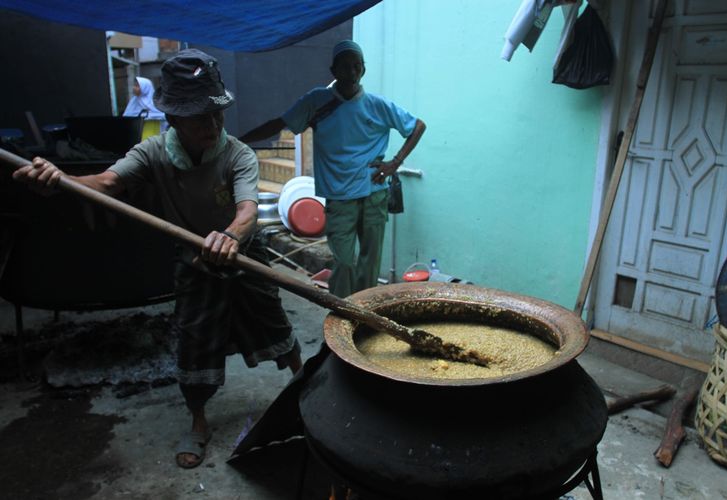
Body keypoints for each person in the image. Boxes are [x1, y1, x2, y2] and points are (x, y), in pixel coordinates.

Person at [12, 48, 303, 469]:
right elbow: (107, 181)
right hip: (194, 259)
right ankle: (199, 422)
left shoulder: (236, 153)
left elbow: (246, 212)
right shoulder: (153, 153)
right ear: (174, 120)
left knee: (272, 319)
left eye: (216, 112)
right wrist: (61, 180)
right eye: (200, 116)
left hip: (242, 252)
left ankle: (304, 387)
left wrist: (230, 237)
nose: (213, 123)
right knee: (195, 338)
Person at [240, 40, 426, 298]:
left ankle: (365, 319)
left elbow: (417, 126)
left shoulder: (377, 105)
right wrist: (238, 140)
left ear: (363, 70)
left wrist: (395, 163)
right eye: (344, 66)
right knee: (344, 262)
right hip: (339, 199)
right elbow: (279, 123)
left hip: (374, 194)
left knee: (370, 263)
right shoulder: (317, 101)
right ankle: (340, 317)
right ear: (333, 70)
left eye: (356, 66)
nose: (351, 72)